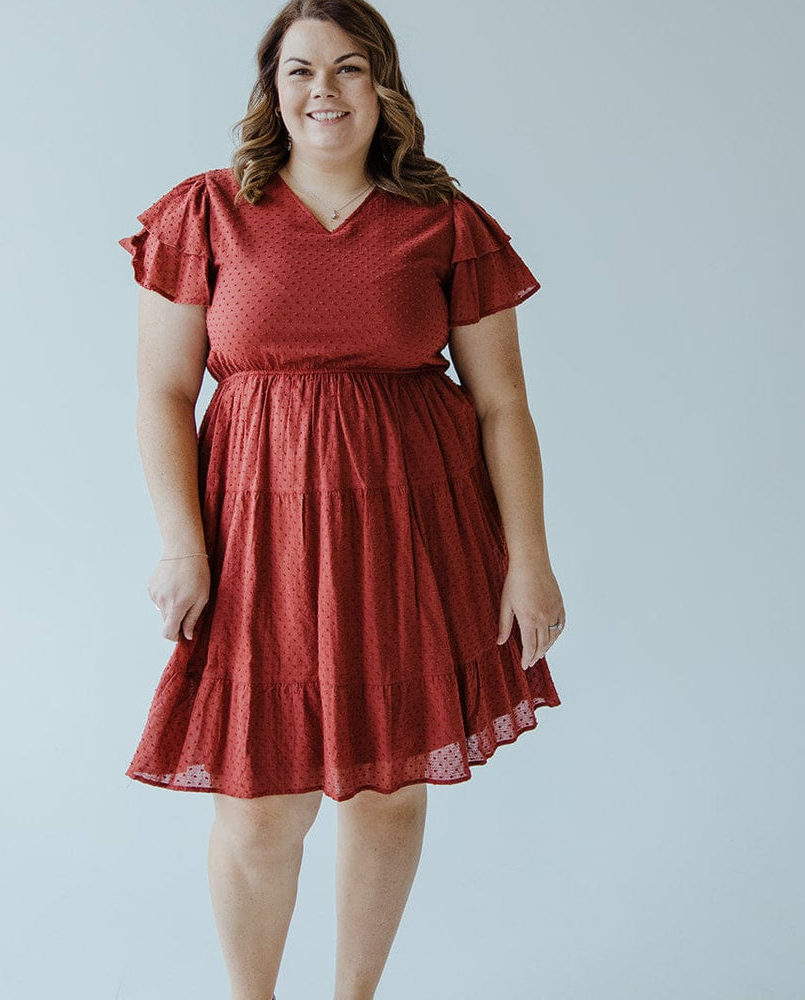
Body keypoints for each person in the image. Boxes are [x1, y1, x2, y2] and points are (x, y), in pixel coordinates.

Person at [117, 1, 566, 996]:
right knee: (259, 798)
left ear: (385, 86)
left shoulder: (446, 221)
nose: (324, 91)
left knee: (391, 790)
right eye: (300, 71)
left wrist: (528, 557)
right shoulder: (204, 212)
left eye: (350, 69)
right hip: (257, 538)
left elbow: (502, 405)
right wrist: (181, 544)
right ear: (271, 91)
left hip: (413, 533)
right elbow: (160, 390)